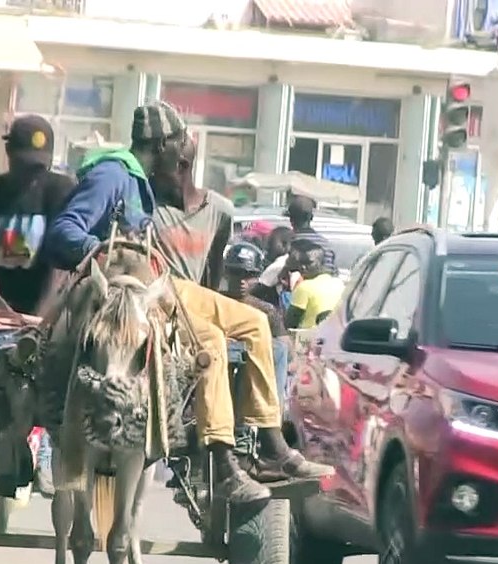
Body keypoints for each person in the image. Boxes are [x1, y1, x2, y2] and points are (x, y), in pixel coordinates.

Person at [44, 100, 332, 504]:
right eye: (179, 142)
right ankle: (221, 463)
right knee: (210, 342)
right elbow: (64, 232)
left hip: (158, 286)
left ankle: (272, 447)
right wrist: (108, 253)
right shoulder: (114, 173)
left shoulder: (137, 178)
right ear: (162, 145)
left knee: (255, 325)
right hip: (134, 297)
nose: (184, 150)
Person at [0, 115, 76, 316]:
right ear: (9, 153)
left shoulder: (61, 191)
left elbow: (60, 267)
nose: (31, 176)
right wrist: (2, 311)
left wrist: (39, 321)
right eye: (24, 165)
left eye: (38, 168)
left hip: (47, 308)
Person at [223, 242, 291, 396]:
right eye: (236, 272)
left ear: (258, 276)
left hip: (254, 385)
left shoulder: (266, 311)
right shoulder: (212, 303)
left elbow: (286, 351)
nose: (241, 281)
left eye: (248, 275)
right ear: (226, 272)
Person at [284, 238, 344, 329]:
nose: (303, 267)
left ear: (322, 263)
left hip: (307, 338)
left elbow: (290, 323)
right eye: (301, 263)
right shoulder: (338, 283)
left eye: (309, 263)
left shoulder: (304, 287)